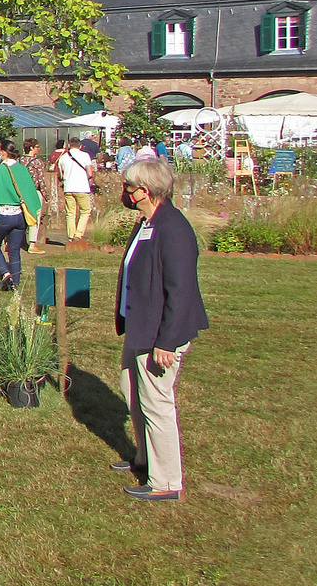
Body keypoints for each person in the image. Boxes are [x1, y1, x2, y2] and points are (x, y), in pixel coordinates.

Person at [113, 158, 209, 501]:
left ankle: (167, 482)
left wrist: (167, 341)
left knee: (156, 402)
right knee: (132, 389)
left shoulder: (174, 229)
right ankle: (144, 458)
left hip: (159, 334)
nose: (125, 191)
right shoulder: (147, 222)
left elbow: (181, 290)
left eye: (129, 186)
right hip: (139, 327)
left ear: (147, 190)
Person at [0, 139, 43, 291]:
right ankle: (16, 283)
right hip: (20, 215)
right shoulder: (22, 169)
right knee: (14, 249)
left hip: (3, 214)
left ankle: (6, 274)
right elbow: (31, 191)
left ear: (4, 152)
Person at [52, 136, 96, 242]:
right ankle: (78, 234)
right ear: (80, 146)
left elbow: (60, 175)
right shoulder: (85, 155)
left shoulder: (63, 157)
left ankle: (71, 236)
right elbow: (90, 173)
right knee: (85, 210)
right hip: (82, 187)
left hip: (68, 187)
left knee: (70, 213)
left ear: (69, 145)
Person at [20, 139, 48, 254]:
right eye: (37, 146)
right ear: (31, 148)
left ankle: (15, 242)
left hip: (21, 191)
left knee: (21, 216)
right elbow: (41, 180)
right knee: (35, 216)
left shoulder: (19, 160)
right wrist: (46, 195)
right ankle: (32, 244)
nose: (39, 148)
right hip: (34, 191)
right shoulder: (38, 162)